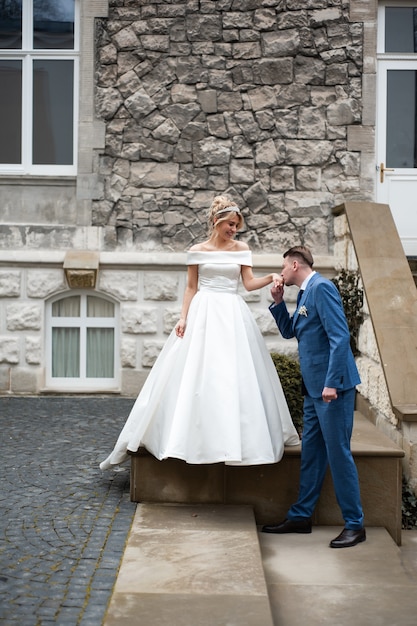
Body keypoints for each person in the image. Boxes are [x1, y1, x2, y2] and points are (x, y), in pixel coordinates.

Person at [100, 196, 300, 471]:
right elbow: (191, 288)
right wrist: (183, 318)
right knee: (194, 372)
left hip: (231, 312)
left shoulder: (241, 248)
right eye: (230, 224)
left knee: (231, 375)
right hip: (203, 311)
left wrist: (272, 278)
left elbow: (249, 283)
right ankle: (184, 439)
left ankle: (234, 440)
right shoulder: (197, 250)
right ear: (216, 222)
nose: (234, 229)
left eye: (236, 225)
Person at [262, 245, 365, 548]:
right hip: (313, 389)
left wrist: (332, 383)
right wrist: (279, 302)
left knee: (338, 454)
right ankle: (301, 516)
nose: (281, 273)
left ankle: (355, 525)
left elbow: (340, 336)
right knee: (312, 455)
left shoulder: (322, 288)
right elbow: (291, 331)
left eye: (283, 267)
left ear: (295, 264)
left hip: (332, 390)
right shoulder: (303, 293)